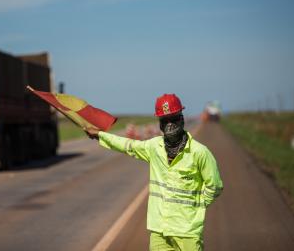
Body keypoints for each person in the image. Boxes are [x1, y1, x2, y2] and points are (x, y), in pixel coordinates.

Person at [85, 94, 223, 251]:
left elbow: (215, 186)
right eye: (165, 120)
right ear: (160, 124)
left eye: (173, 118)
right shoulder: (153, 148)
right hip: (159, 230)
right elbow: (128, 145)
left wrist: (197, 205)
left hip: (187, 232)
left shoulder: (200, 153)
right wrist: (99, 135)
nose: (170, 124)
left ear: (181, 118)